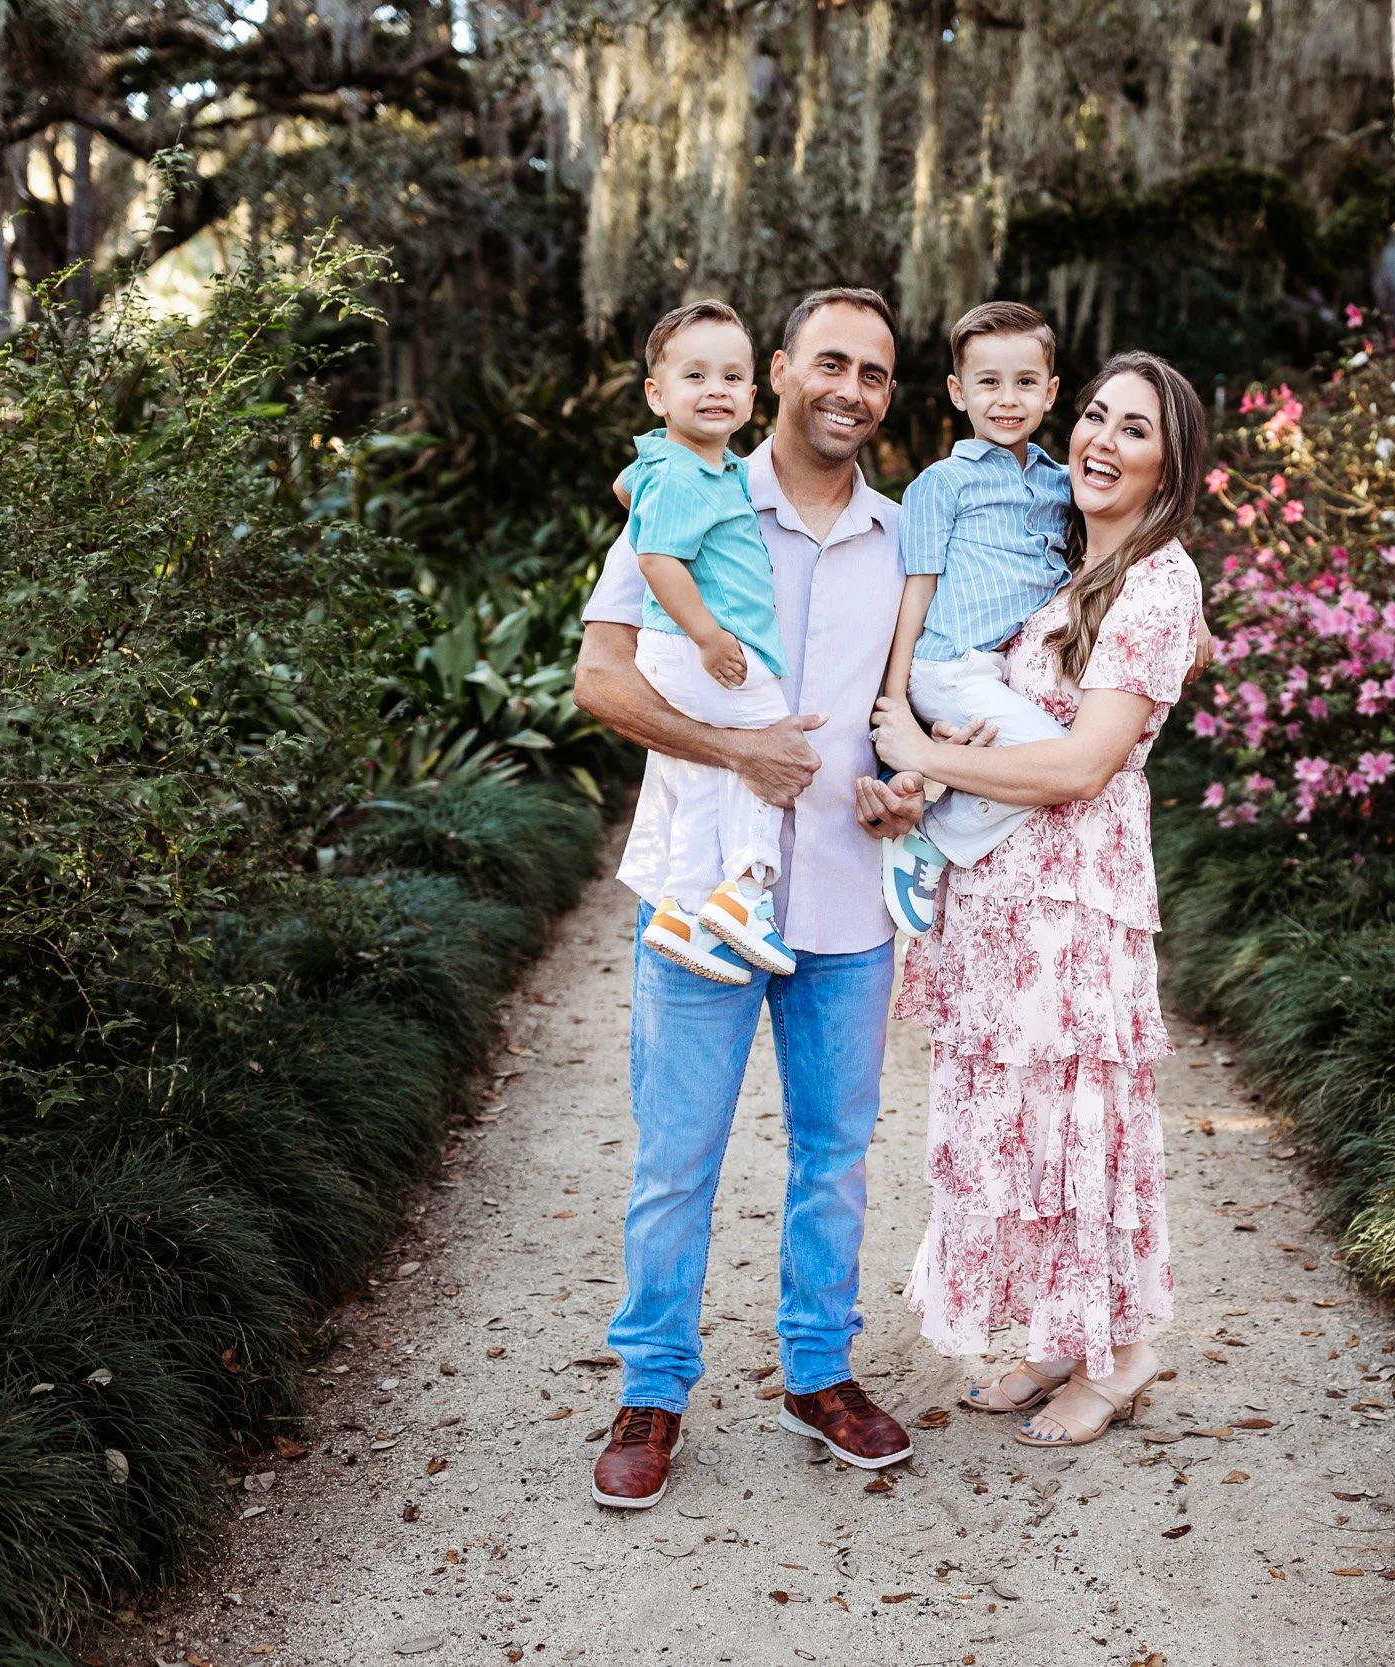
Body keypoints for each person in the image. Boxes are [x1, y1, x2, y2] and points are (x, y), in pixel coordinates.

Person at [571, 288, 933, 1510]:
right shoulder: (688, 492)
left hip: (848, 900)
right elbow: (601, 680)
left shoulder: (899, 538)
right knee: (679, 1157)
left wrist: (904, 784)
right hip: (700, 890)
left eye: (875, 373)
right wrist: (736, 753)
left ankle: (818, 1371)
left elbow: (910, 713)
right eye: (829, 362)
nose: (851, 388)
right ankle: (653, 1387)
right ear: (778, 370)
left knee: (834, 1156)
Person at [871, 350, 1209, 1448]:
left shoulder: (1157, 581)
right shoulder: (1064, 567)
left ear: (1169, 466)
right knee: (1016, 1134)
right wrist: (935, 761)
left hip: (1075, 904)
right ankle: (1062, 1335)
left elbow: (1077, 769)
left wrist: (925, 748)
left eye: (1134, 431)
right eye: (1097, 417)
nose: (1102, 442)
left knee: (1079, 1129)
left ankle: (1119, 1356)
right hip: (1004, 905)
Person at [876, 300, 1076, 935]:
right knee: (1059, 760)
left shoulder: (1060, 483)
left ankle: (951, 806)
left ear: (1050, 391)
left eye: (1024, 383)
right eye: (988, 382)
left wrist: (1197, 610)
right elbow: (916, 590)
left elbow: (1131, 532)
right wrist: (896, 698)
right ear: (959, 393)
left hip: (999, 669)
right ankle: (932, 840)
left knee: (1043, 763)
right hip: (945, 666)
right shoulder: (942, 485)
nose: (1007, 399)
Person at [619, 300, 797, 982]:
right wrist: (709, 635)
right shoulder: (685, 471)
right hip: (697, 648)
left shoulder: (687, 467)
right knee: (777, 752)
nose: (714, 389)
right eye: (694, 376)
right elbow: (658, 559)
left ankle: (681, 908)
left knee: (702, 775)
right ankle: (747, 890)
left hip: (679, 648)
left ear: (755, 395)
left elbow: (627, 487)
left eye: (730, 377)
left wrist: (644, 488)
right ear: (657, 395)